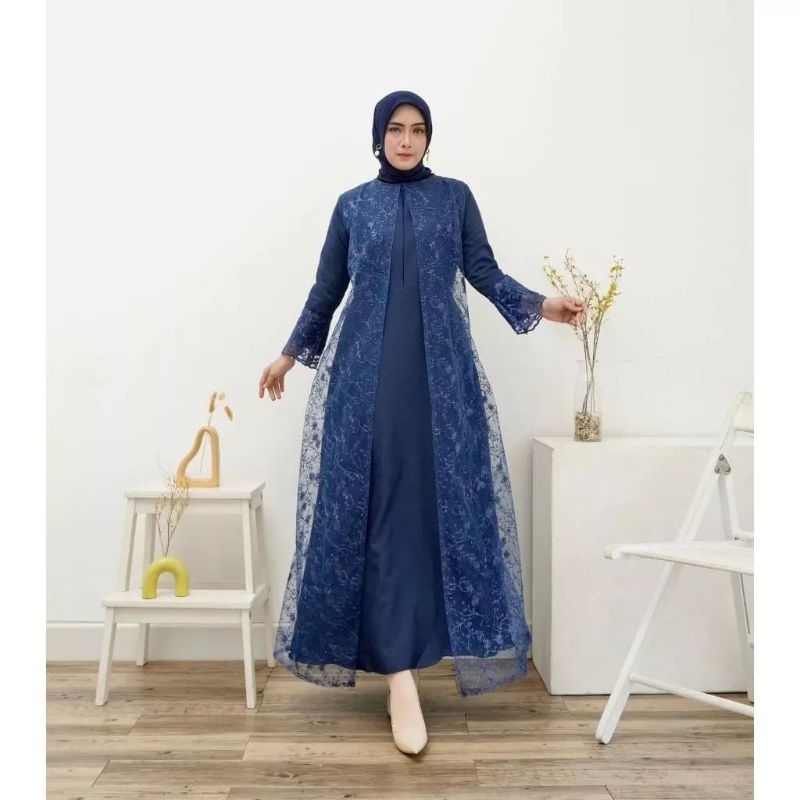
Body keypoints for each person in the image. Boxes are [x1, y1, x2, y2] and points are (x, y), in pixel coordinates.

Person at [258, 90, 585, 755]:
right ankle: (399, 678)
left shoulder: (454, 198)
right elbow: (327, 290)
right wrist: (289, 355)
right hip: (365, 385)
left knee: (426, 517)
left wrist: (541, 304)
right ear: (378, 137)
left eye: (418, 130)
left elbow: (483, 271)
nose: (407, 141)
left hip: (441, 384)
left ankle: (409, 663)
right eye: (396, 130)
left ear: (429, 137)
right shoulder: (353, 206)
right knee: (377, 514)